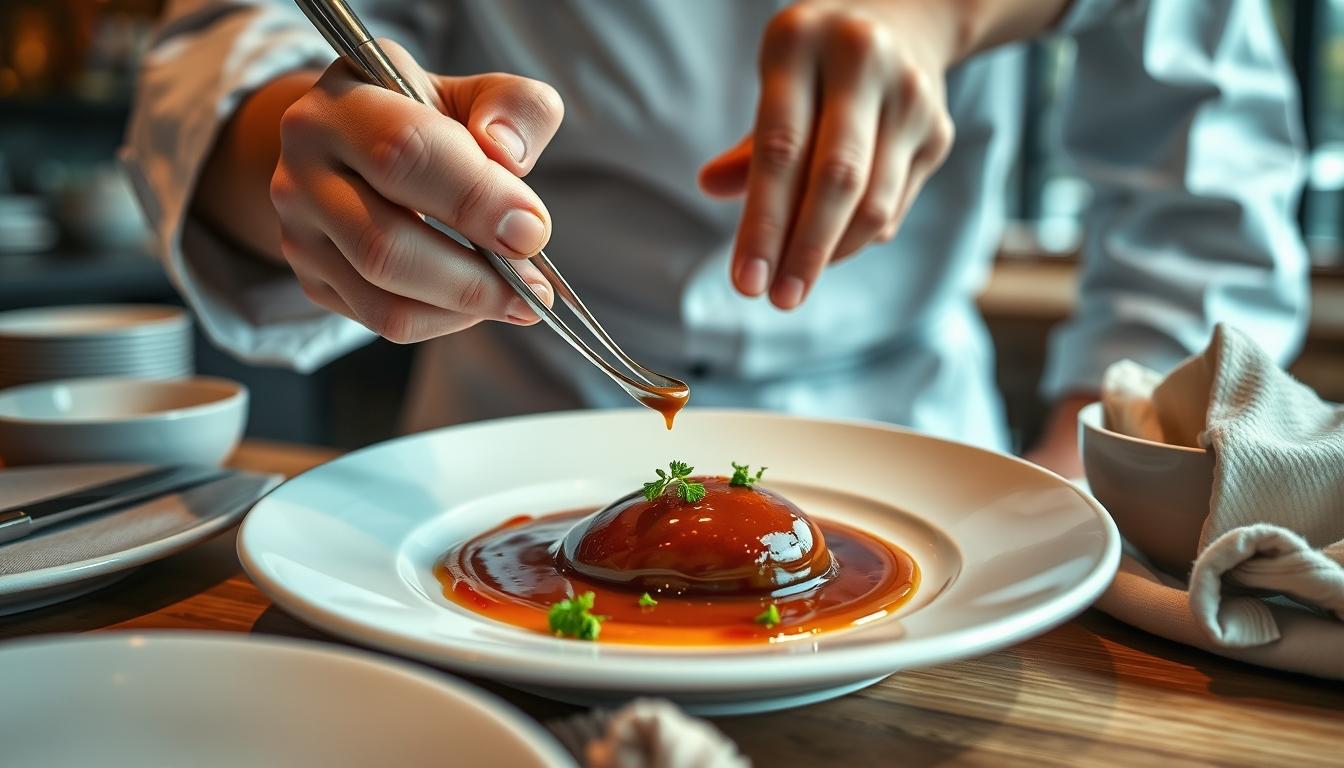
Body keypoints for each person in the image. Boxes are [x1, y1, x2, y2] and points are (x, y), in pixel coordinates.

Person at [122, 0, 1309, 476]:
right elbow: (235, 48)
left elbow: (1211, 176)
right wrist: (308, 153)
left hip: (925, 446)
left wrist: (1067, 505)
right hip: (502, 445)